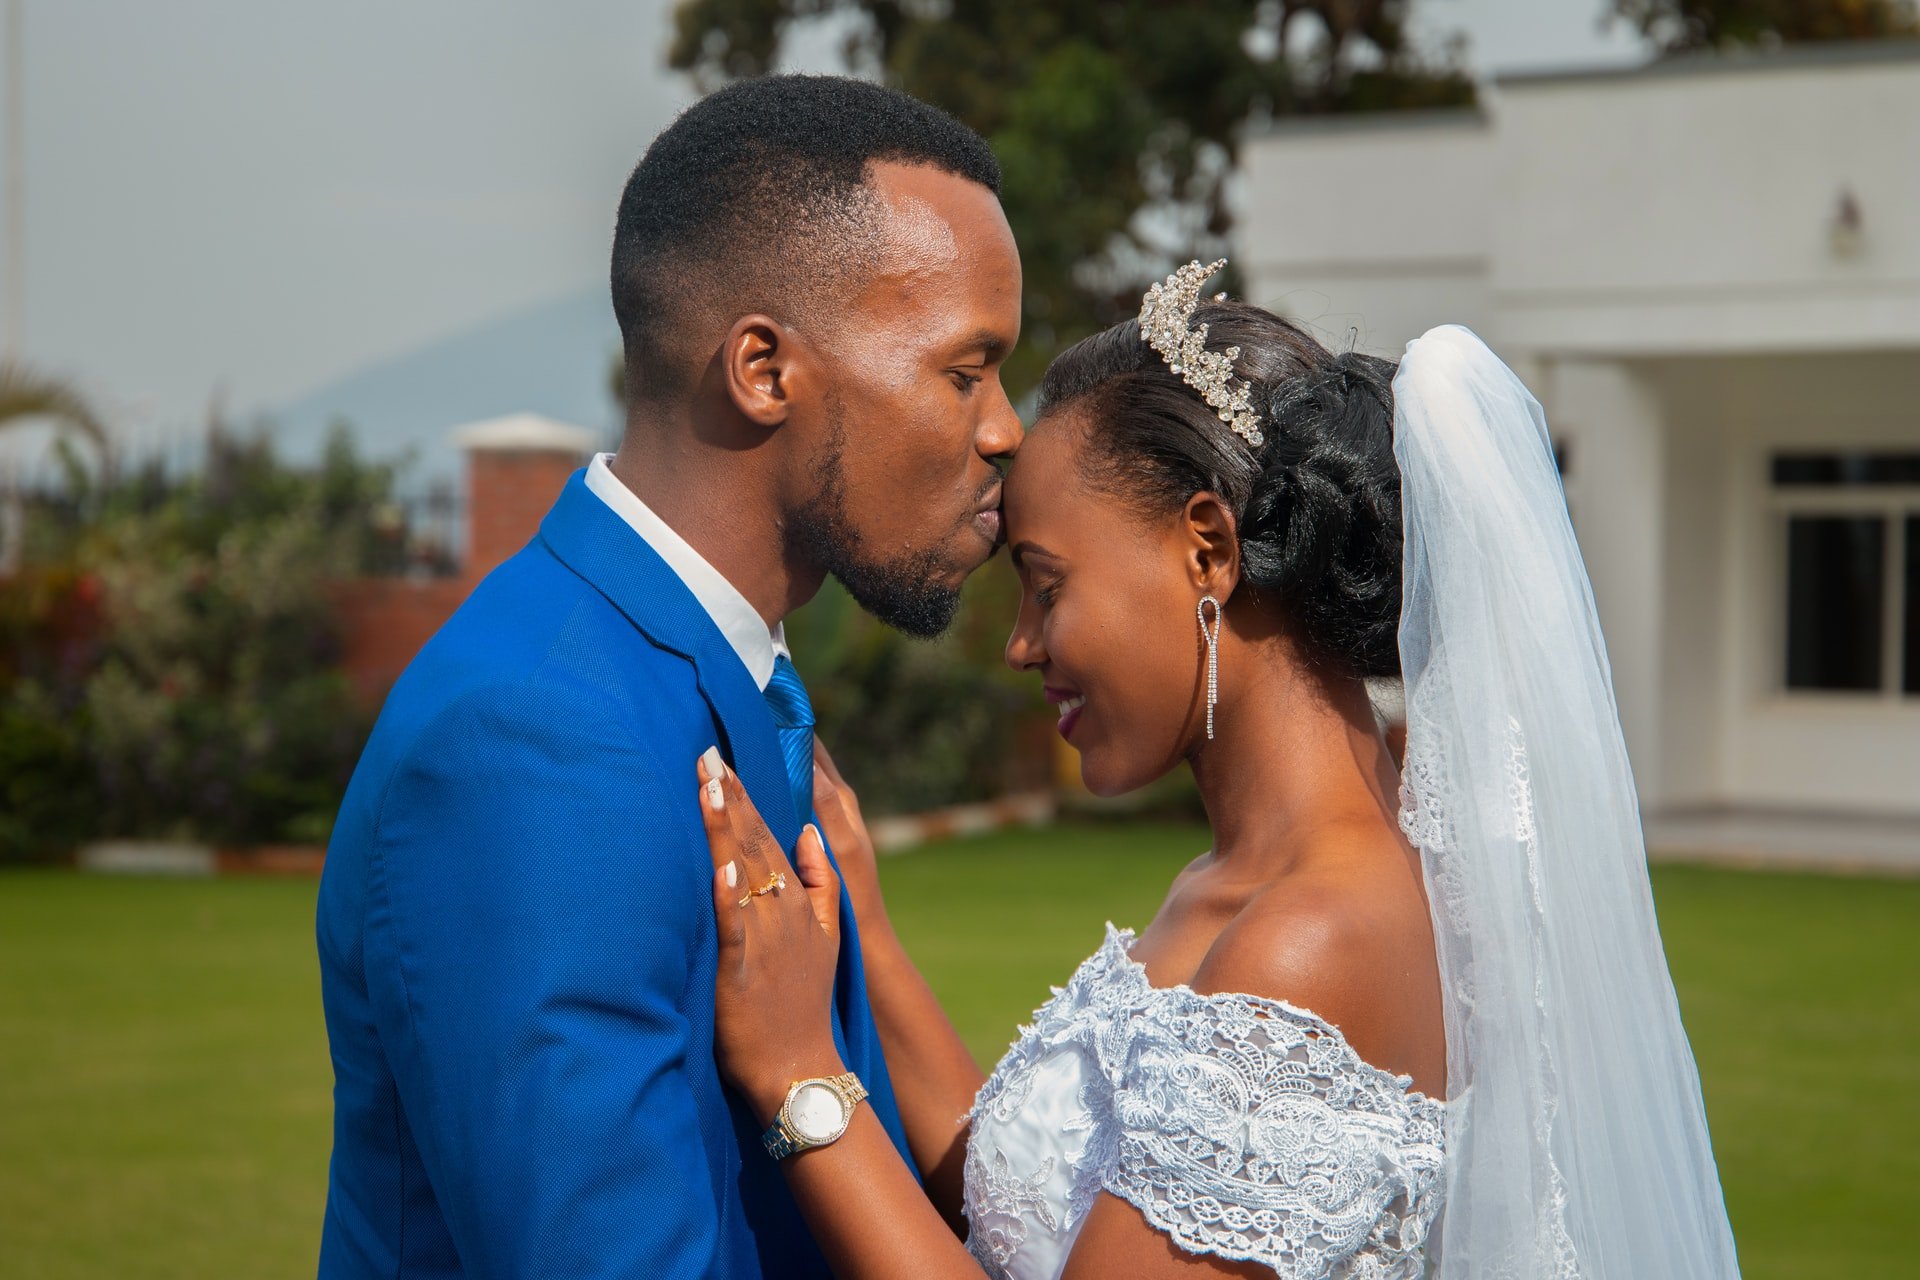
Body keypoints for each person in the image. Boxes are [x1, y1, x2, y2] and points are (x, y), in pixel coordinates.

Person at [698, 263, 1742, 1277]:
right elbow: (1041, 1209)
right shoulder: (1241, 884)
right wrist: (866, 942)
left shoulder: (1312, 940)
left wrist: (802, 1077)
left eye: (1046, 585)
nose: (1021, 644)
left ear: (1208, 548)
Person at [314, 75, 1022, 1278]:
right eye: (967, 370)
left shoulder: (717, 676)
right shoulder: (533, 736)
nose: (1006, 427)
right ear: (762, 368)